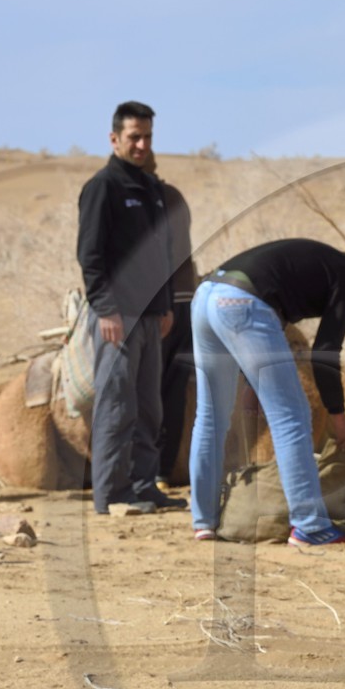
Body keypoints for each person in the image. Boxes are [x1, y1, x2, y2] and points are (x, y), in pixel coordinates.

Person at [188, 237, 345, 546]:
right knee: (292, 416)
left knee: (210, 417)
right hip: (243, 304)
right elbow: (325, 353)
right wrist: (338, 415)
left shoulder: (327, 257)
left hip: (205, 297)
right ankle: (309, 526)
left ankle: (204, 521)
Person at [76, 100, 175, 515]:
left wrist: (166, 305)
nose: (141, 144)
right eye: (134, 137)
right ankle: (111, 494)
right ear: (114, 138)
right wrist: (106, 309)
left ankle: (142, 483)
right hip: (119, 317)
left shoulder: (150, 189)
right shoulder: (103, 187)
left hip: (153, 316)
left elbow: (161, 254)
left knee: (149, 407)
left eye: (147, 137)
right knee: (117, 407)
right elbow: (90, 256)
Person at [143, 153, 199, 483]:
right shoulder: (175, 196)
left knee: (147, 387)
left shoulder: (146, 202)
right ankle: (164, 469)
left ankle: (146, 471)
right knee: (175, 390)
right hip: (187, 301)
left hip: (161, 305)